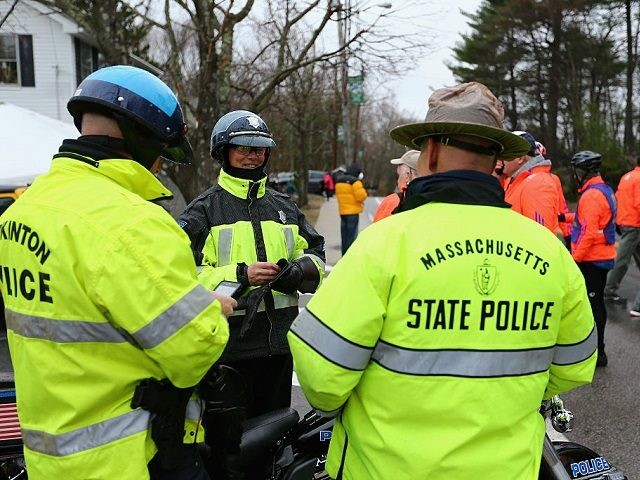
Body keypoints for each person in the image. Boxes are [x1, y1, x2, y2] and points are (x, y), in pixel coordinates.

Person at [288, 82, 596, 480]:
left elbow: (323, 378)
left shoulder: (383, 245)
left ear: (429, 151)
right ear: (497, 160)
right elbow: (576, 364)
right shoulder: (550, 252)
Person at [0, 65, 234, 480]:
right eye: (162, 152)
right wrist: (211, 312)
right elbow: (193, 352)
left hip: (48, 459)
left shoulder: (23, 212)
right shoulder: (133, 222)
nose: (160, 167)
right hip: (132, 458)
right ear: (142, 139)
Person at [178, 110, 325, 419]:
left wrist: (297, 272)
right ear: (223, 152)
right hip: (227, 351)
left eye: (258, 149)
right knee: (230, 449)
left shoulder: (283, 206)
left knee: (274, 439)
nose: (252, 156)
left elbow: (314, 253)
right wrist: (241, 275)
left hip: (279, 350)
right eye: (243, 148)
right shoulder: (202, 212)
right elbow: (181, 278)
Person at [569, 150, 617, 367]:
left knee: (594, 305)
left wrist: (574, 259)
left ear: (586, 171)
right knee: (596, 303)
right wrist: (565, 217)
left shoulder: (591, 195)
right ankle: (597, 350)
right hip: (601, 257)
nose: (576, 175)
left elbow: (588, 231)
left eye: (579, 170)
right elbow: (588, 220)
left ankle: (599, 353)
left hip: (592, 259)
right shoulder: (602, 189)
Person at [502, 131, 561, 236]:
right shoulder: (516, 181)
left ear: (520, 158)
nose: (501, 159)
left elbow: (540, 238)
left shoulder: (537, 183)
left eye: (506, 154)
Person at [604, 156, 640, 308]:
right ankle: (609, 290)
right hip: (634, 225)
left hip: (624, 222)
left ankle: (609, 289)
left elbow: (616, 199)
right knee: (622, 260)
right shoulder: (639, 179)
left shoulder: (627, 177)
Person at [372, 149, 419, 223]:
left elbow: (375, 231)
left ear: (407, 176)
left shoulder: (392, 202)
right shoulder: (434, 200)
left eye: (399, 175)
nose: (397, 181)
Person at [334, 163, 368, 254]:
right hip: (353, 213)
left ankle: (344, 255)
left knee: (344, 236)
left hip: (342, 212)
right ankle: (349, 256)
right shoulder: (355, 182)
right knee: (351, 237)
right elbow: (361, 196)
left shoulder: (339, 181)